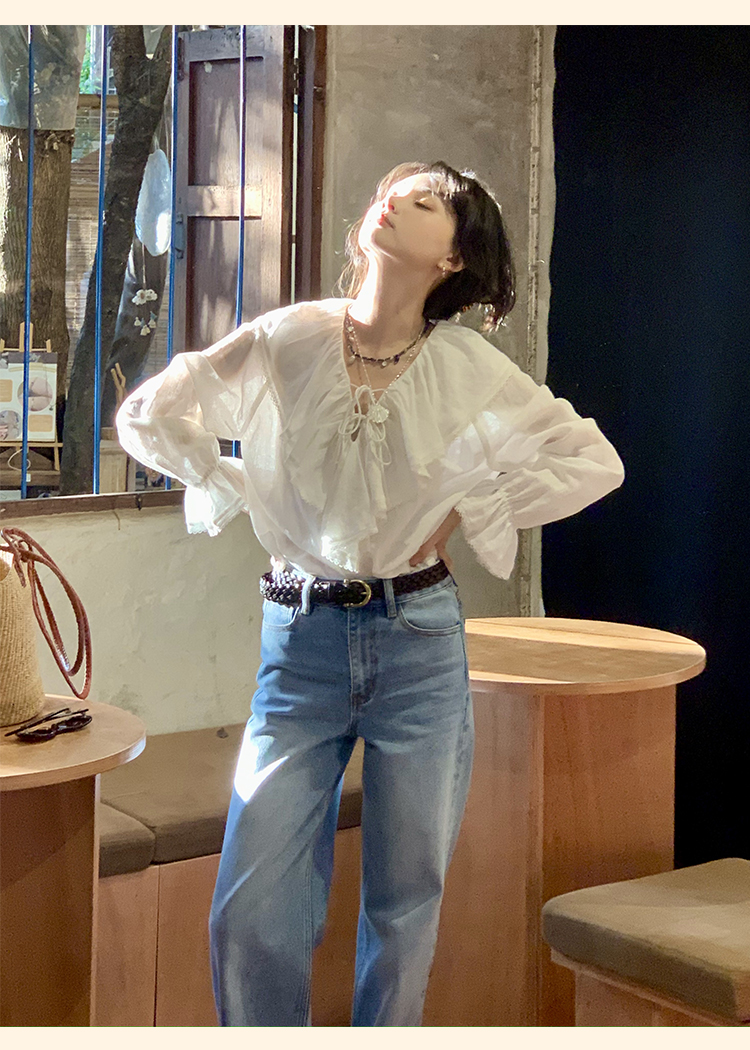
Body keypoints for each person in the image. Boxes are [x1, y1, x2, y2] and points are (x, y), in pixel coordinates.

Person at [116, 160, 625, 1026]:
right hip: (298, 647)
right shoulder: (289, 338)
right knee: (249, 913)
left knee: (403, 911)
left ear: (453, 258)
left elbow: (592, 460)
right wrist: (227, 477)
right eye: (393, 190)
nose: (392, 199)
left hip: (418, 642)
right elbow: (151, 413)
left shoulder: (467, 368)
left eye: (424, 201)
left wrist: (473, 506)